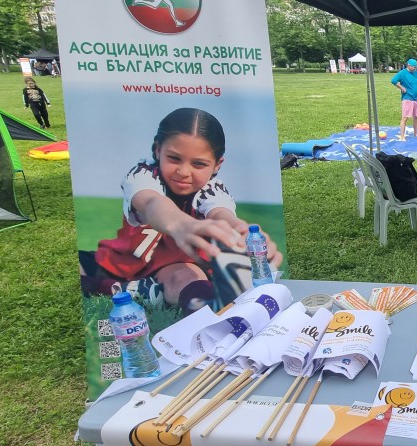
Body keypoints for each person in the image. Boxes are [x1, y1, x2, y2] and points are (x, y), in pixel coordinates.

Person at [78, 108, 283, 315]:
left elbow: (221, 213)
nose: (184, 172)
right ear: (158, 150)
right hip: (123, 260)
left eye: (198, 164)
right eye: (174, 158)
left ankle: (209, 315)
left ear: (217, 165)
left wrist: (241, 231)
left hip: (174, 269)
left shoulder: (212, 189)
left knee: (188, 278)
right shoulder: (143, 174)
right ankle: (126, 289)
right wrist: (182, 224)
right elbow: (151, 202)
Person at [391, 58, 417, 141]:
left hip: (416, 98)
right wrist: (401, 87)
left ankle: (416, 133)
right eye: (414, 67)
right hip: (407, 98)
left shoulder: (416, 73)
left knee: (416, 116)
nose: (415, 68)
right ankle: (402, 136)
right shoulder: (402, 73)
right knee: (405, 117)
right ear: (409, 65)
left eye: (416, 67)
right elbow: (393, 80)